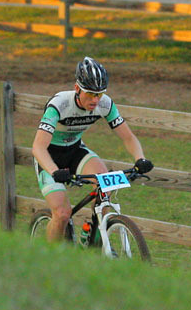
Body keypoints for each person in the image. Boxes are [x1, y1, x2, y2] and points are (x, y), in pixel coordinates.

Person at [32, 56, 148, 243]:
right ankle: (49, 258)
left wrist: (140, 159)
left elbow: (128, 137)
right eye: (90, 93)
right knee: (62, 213)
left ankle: (93, 238)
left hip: (75, 150)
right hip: (49, 156)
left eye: (100, 94)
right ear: (77, 88)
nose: (95, 99)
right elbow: (38, 147)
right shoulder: (59, 105)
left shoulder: (105, 104)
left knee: (106, 185)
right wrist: (54, 171)